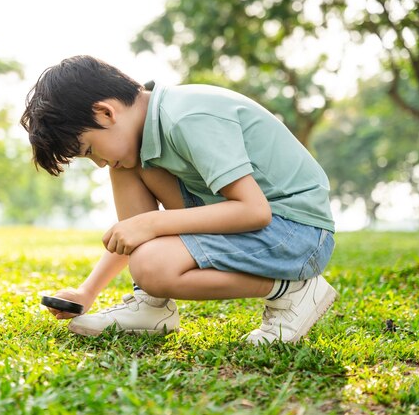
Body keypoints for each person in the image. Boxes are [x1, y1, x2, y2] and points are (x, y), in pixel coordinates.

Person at [21, 55, 338, 344]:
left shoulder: (186, 117)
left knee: (152, 263)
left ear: (105, 112)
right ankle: (150, 305)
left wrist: (153, 223)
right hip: (256, 225)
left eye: (89, 150)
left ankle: (294, 290)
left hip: (299, 234)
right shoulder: (147, 128)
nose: (99, 163)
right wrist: (87, 291)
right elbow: (133, 230)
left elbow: (255, 211)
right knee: (126, 164)